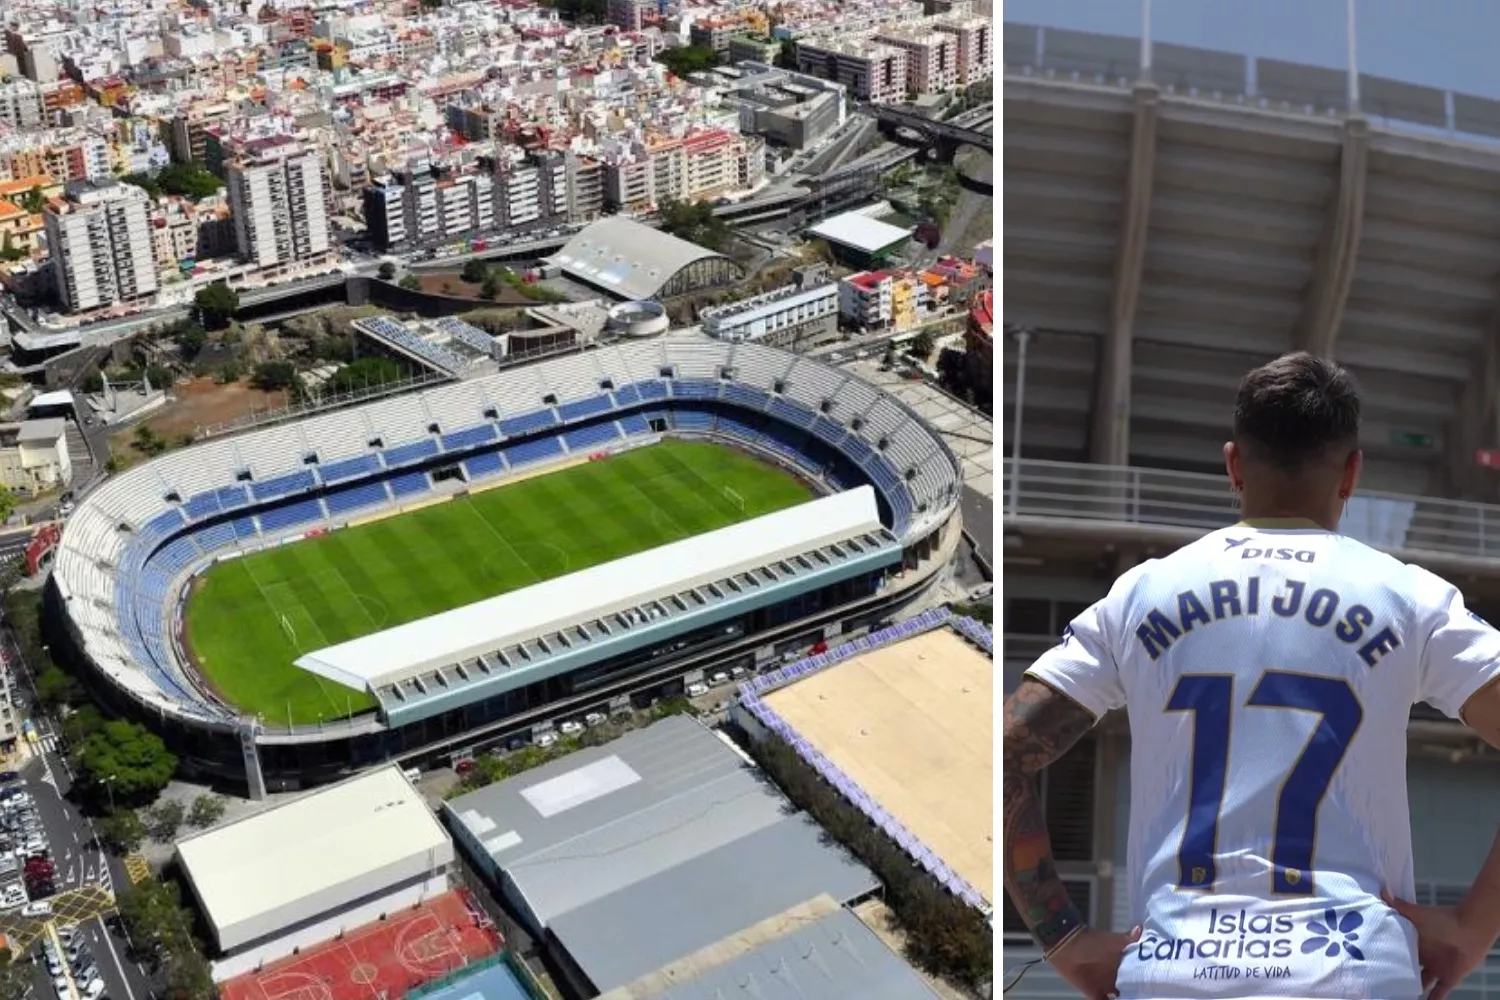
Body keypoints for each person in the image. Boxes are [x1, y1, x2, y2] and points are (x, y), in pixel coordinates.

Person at [1003, 352, 1500, 1000]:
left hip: (1176, 974)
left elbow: (1009, 749)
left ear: (1234, 464)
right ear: (1351, 473)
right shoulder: (1407, 598)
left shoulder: (1142, 595)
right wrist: (1472, 928)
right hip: (1351, 973)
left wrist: (1066, 940)